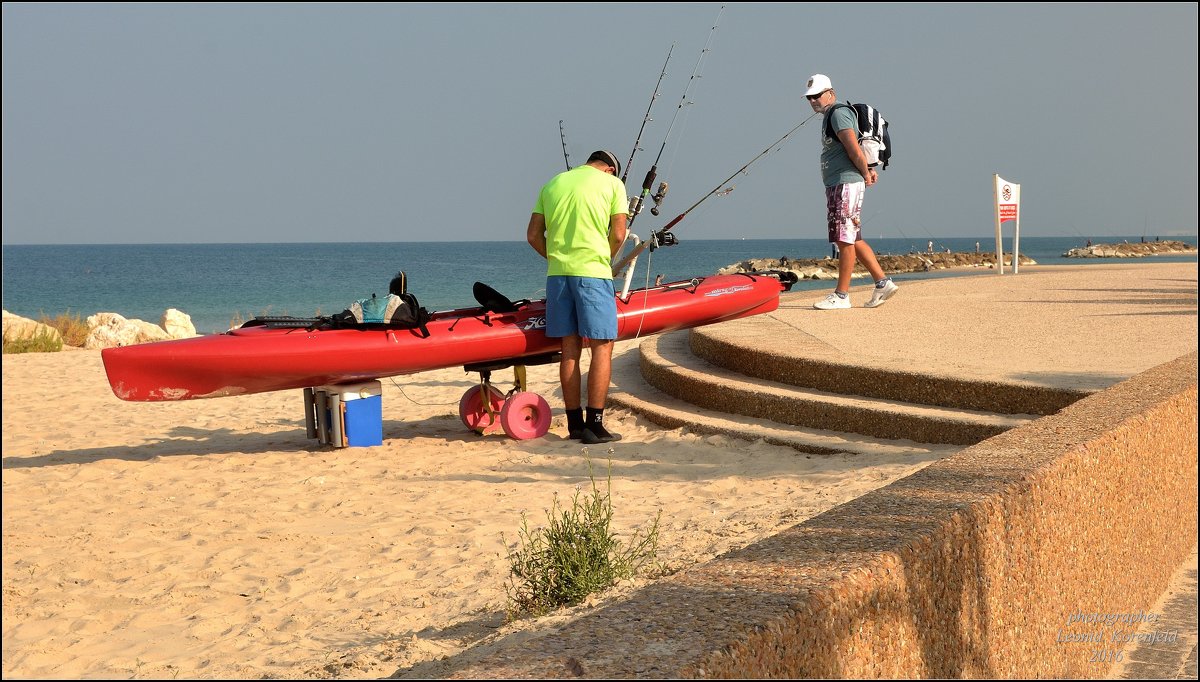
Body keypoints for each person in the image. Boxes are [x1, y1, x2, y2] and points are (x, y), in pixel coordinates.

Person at [527, 150, 629, 444]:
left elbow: (534, 235)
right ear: (610, 169)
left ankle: (574, 424)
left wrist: (556, 259)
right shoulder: (613, 185)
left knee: (569, 348)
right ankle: (595, 425)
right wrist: (603, 259)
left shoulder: (552, 183)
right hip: (593, 274)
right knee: (602, 347)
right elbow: (619, 235)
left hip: (557, 276)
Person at [804, 74, 898, 310]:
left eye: (817, 95)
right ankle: (882, 283)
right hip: (839, 183)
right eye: (810, 97)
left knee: (843, 238)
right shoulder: (830, 117)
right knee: (852, 237)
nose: (814, 100)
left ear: (831, 93)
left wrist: (866, 172)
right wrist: (866, 170)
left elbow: (853, 147)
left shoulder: (838, 113)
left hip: (845, 184)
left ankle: (842, 295)